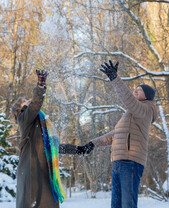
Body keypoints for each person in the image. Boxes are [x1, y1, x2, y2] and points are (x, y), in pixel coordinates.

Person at [77, 60, 158, 208]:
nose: (134, 91)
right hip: (118, 162)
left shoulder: (147, 110)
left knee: (127, 204)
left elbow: (130, 101)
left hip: (130, 162)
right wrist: (92, 144)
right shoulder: (131, 114)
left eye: (138, 90)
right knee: (116, 205)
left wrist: (115, 78)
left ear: (146, 96)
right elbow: (114, 135)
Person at [12, 70, 82, 208]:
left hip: (44, 174)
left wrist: (78, 149)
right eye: (24, 102)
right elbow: (35, 105)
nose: (28, 100)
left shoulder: (42, 125)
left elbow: (53, 147)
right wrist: (40, 85)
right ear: (20, 110)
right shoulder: (24, 120)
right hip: (32, 174)